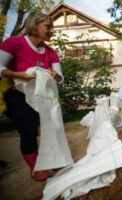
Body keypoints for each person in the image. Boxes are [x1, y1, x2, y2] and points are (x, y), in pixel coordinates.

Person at [0, 12, 64, 181]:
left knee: (52, 125)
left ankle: (56, 159)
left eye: (52, 28)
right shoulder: (14, 43)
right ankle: (36, 167)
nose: (51, 31)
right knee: (28, 128)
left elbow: (60, 77)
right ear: (34, 26)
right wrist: (20, 75)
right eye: (48, 27)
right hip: (17, 92)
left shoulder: (51, 53)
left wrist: (55, 76)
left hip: (41, 95)